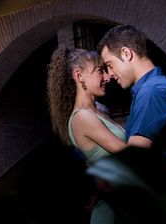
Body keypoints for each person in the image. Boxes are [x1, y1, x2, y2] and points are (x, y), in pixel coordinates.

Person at [47, 46, 127, 223]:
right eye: (100, 71)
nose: (107, 77)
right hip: (111, 213)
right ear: (79, 76)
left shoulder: (99, 110)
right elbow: (131, 154)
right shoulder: (82, 118)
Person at [97, 25, 166, 150]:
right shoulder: (152, 86)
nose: (110, 74)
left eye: (110, 65)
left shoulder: (150, 92)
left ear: (126, 54)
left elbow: (136, 160)